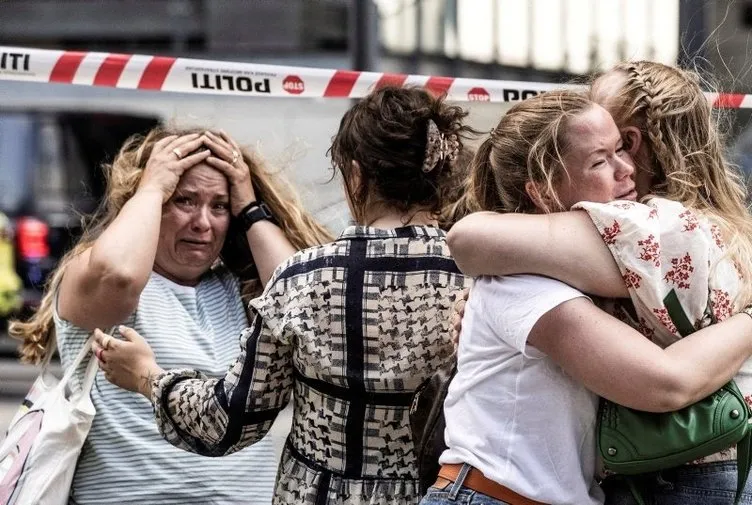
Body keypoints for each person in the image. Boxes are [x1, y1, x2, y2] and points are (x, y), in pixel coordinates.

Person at [93, 86, 474, 505]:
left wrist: (148, 377)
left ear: (356, 176)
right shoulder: (478, 278)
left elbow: (228, 421)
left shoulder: (305, 278)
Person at [416, 89, 752, 505]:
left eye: (621, 150)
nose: (626, 169)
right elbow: (666, 381)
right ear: (541, 193)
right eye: (600, 160)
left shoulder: (573, 267)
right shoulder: (524, 281)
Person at [8, 126, 332, 505]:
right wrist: (151, 186)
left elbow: (308, 312)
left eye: (220, 206)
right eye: (184, 200)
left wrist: (249, 206)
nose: (203, 222)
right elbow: (120, 275)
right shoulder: (100, 272)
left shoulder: (240, 288)